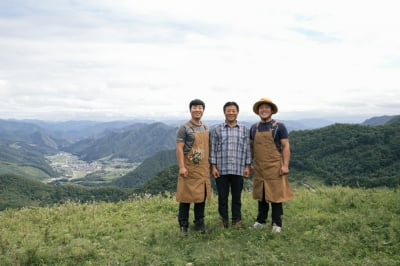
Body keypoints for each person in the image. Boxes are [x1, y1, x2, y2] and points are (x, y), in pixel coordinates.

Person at [250, 98, 294, 233]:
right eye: (261, 108)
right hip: (259, 167)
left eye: (266, 108)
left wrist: (285, 165)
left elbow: (285, 146)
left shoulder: (279, 127)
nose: (264, 110)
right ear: (258, 111)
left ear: (271, 110)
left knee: (276, 196)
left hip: (275, 166)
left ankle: (277, 223)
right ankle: (261, 220)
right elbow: (251, 148)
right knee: (261, 195)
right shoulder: (254, 128)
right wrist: (249, 164)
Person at [210, 101, 251, 229]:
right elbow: (213, 149)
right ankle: (223, 221)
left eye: (233, 110)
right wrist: (213, 166)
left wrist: (247, 166)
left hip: (238, 168)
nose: (231, 113)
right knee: (222, 197)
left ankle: (236, 220)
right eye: (229, 110)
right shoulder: (217, 129)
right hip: (221, 169)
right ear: (224, 112)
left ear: (237, 112)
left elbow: (247, 148)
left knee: (237, 197)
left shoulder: (244, 129)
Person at [175, 99, 212, 237]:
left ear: (203, 110)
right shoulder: (184, 128)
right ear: (190, 110)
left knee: (201, 197)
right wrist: (182, 167)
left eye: (200, 107)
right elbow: (179, 149)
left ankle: (199, 223)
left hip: (202, 168)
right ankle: (183, 225)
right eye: (195, 107)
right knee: (185, 197)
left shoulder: (206, 127)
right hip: (189, 168)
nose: (197, 110)